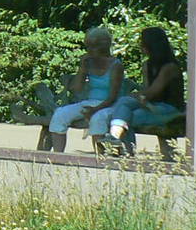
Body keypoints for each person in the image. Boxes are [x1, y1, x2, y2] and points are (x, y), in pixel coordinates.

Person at [89, 27, 184, 155]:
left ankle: (123, 147)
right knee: (127, 113)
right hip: (151, 107)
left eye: (142, 42)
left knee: (125, 110)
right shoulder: (147, 65)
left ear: (152, 44)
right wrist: (141, 99)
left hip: (169, 110)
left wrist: (137, 97)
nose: (140, 45)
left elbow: (150, 93)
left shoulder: (170, 67)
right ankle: (120, 144)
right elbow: (145, 92)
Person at [44, 26, 123, 154]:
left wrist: (95, 110)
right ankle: (58, 156)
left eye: (92, 47)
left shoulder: (116, 65)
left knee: (97, 119)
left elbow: (113, 96)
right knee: (60, 114)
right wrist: (82, 68)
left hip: (110, 105)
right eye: (88, 47)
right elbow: (76, 89)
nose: (89, 50)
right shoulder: (88, 63)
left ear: (103, 47)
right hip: (90, 103)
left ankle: (101, 159)